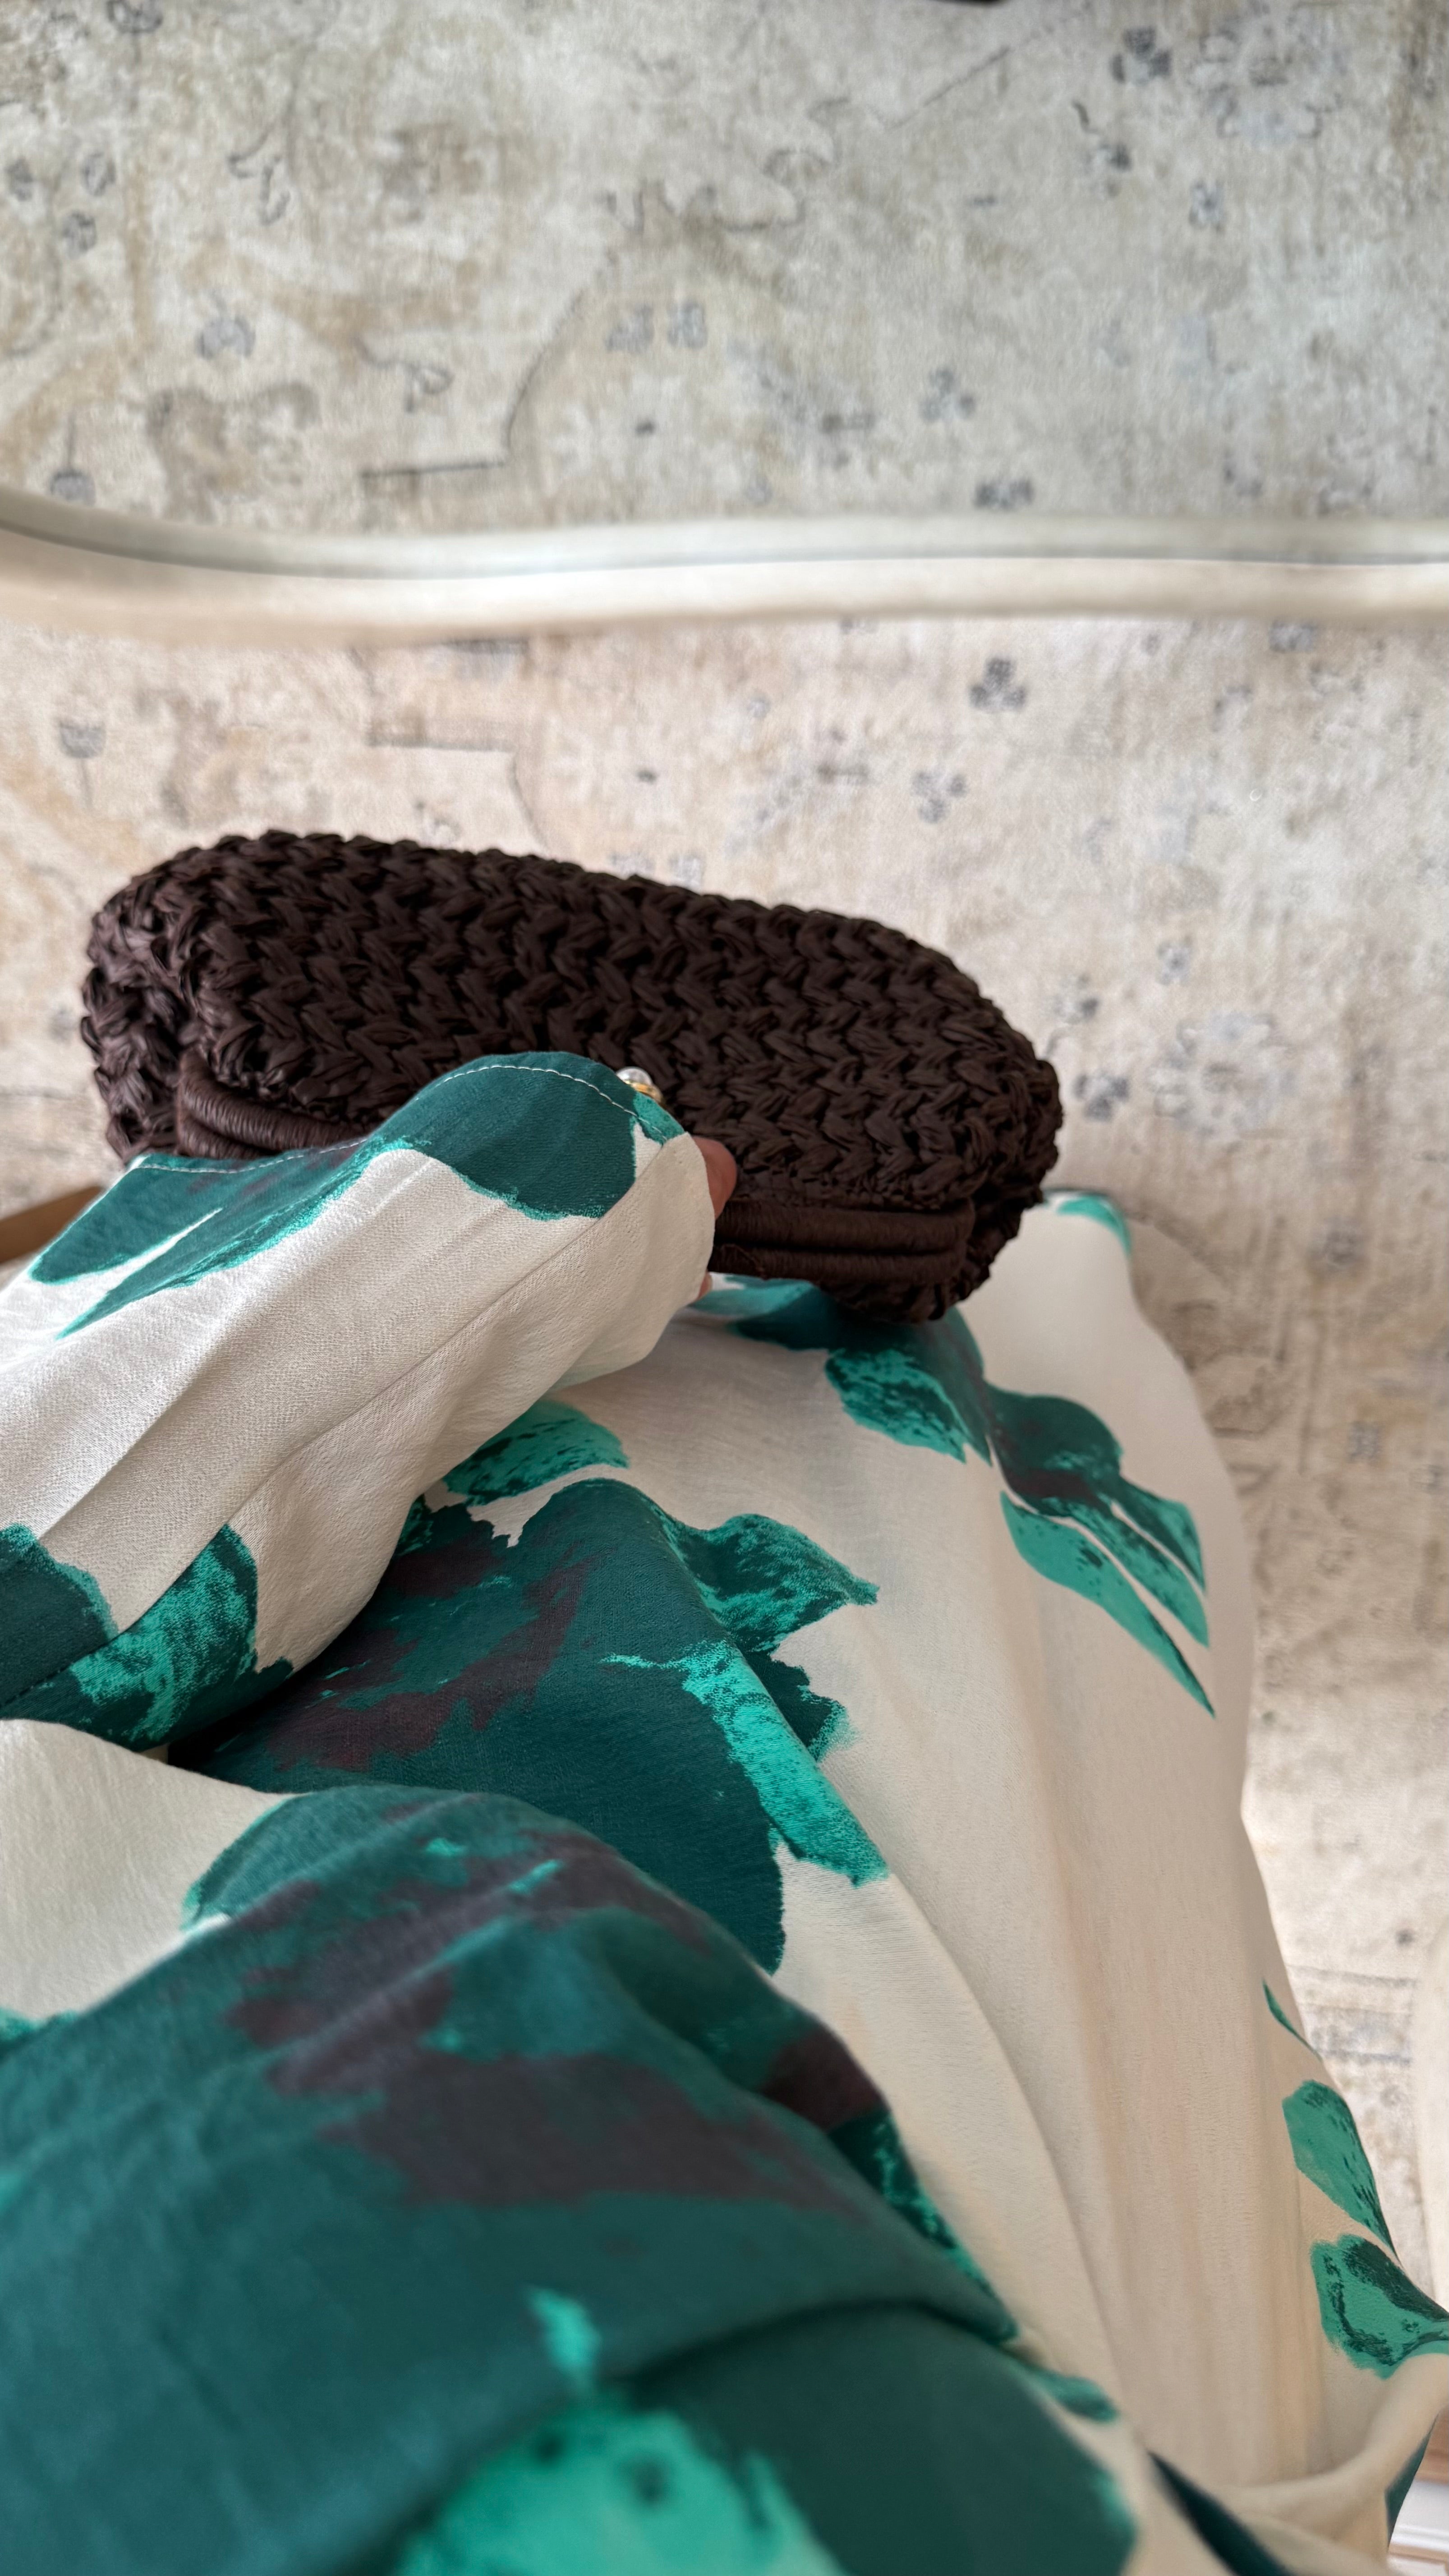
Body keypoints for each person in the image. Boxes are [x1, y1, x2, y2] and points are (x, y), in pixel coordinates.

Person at [0, 1053, 1443, 2574]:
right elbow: (80, 1537)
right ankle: (1018, 1258)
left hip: (1193, 2459)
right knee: (798, 1470)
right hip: (635, 2155)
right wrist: (581, 1153)